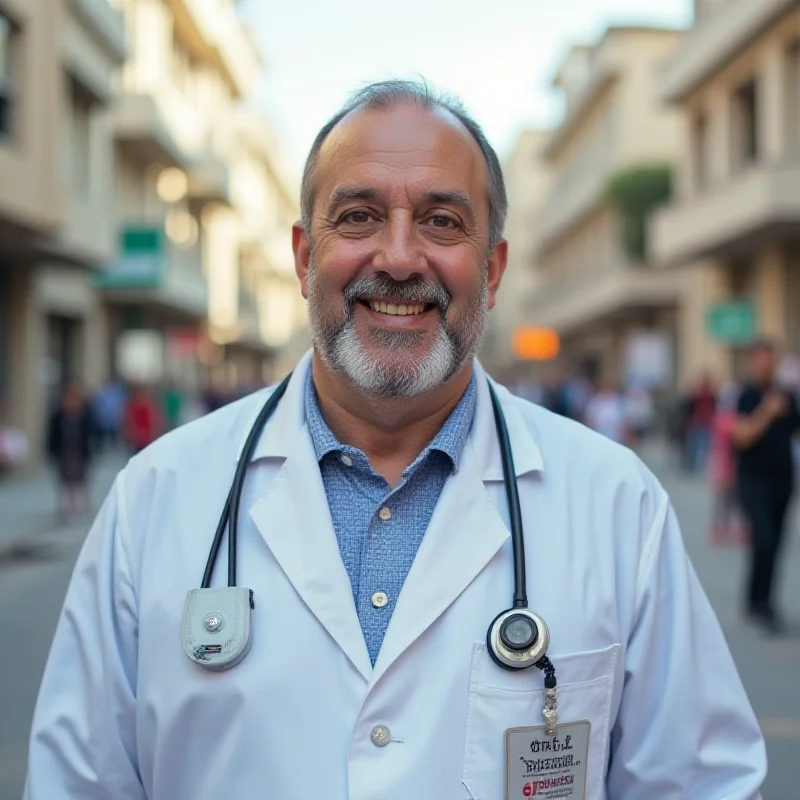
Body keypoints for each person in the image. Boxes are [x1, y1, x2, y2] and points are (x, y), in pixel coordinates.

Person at [25, 80, 765, 799]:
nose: (401, 258)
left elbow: (704, 783)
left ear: (493, 268)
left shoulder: (615, 502)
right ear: (304, 256)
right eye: (358, 217)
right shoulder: (155, 499)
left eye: (443, 221)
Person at [732, 339, 800, 633]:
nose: (767, 365)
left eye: (771, 359)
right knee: (763, 537)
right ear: (753, 362)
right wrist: (768, 412)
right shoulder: (745, 396)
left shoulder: (788, 395)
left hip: (782, 481)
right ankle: (755, 601)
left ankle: (766, 602)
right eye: (762, 359)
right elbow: (742, 436)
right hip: (753, 481)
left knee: (776, 543)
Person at [46, 385, 94, 520]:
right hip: (65, 452)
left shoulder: (84, 415)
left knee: (82, 479)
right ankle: (68, 508)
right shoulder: (58, 416)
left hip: (79, 452)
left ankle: (82, 506)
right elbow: (52, 435)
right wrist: (52, 451)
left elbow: (90, 432)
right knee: (66, 481)